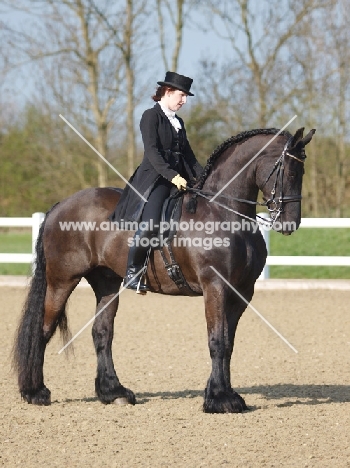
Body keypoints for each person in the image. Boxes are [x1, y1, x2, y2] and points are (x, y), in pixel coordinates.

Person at [110, 71, 203, 293]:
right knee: (151, 223)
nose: (184, 101)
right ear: (168, 92)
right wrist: (173, 176)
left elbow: (188, 156)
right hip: (156, 179)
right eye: (181, 95)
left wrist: (204, 179)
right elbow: (153, 153)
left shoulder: (178, 122)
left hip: (179, 179)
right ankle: (132, 272)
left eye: (186, 97)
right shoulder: (150, 117)